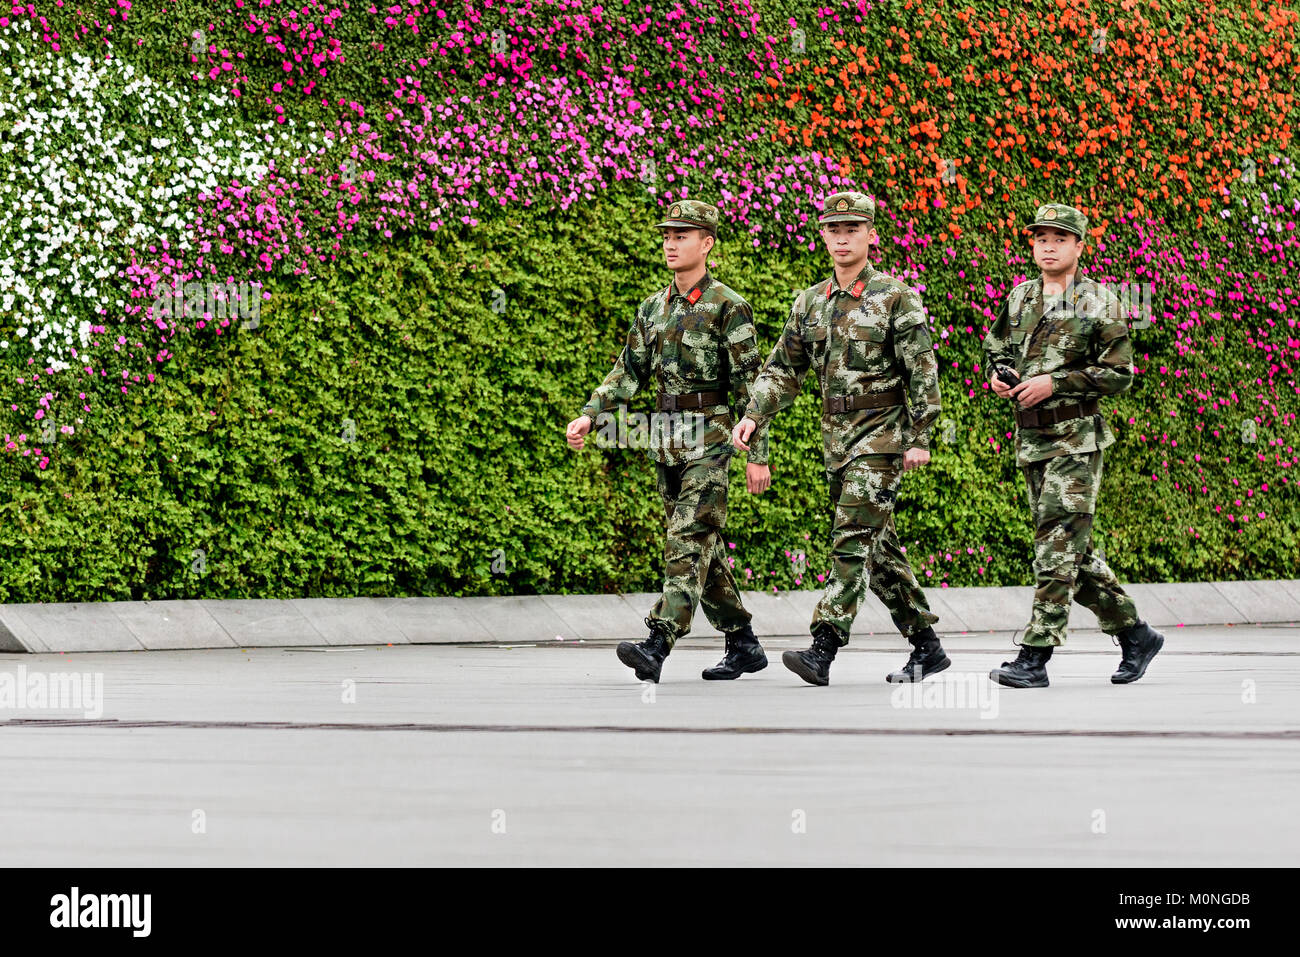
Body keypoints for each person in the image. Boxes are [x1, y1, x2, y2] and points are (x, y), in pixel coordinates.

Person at [732, 190, 947, 686]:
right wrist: (753, 415)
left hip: (883, 439)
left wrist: (919, 436)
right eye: (834, 229)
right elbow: (782, 370)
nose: (843, 237)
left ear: (871, 235)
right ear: (824, 235)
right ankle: (926, 646)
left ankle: (823, 647)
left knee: (850, 541)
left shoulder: (896, 296)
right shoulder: (811, 302)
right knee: (880, 551)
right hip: (837, 443)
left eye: (853, 229)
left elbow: (922, 372)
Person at [566, 199, 772, 683]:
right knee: (702, 546)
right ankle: (743, 643)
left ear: (707, 243)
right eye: (667, 235)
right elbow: (628, 372)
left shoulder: (728, 306)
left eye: (683, 235)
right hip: (666, 442)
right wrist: (590, 415)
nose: (671, 243)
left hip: (713, 440)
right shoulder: (652, 308)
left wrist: (757, 455)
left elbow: (753, 387)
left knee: (685, 540)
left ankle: (658, 643)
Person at [981, 202, 1165, 688]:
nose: (1048, 245)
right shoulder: (1020, 298)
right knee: (1069, 551)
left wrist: (1056, 384)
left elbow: (1120, 373)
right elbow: (995, 349)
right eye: (1041, 237)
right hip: (1032, 440)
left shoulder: (1100, 303)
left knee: (1056, 548)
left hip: (1076, 442)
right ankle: (1135, 634)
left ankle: (1035, 656)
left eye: (1059, 238)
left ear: (1080, 246)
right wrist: (999, 379)